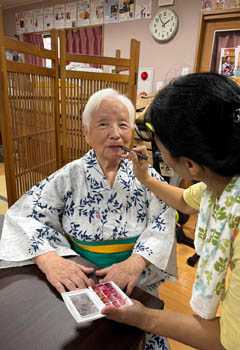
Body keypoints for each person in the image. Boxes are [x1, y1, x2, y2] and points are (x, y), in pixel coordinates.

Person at [0, 88, 177, 350]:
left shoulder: (146, 176)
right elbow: (23, 215)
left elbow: (166, 217)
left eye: (123, 124)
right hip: (82, 280)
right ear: (86, 133)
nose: (115, 133)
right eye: (103, 124)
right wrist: (49, 260)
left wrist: (136, 262)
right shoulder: (69, 175)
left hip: (135, 282)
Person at [101, 73, 240, 350]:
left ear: (190, 166)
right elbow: (187, 201)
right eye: (103, 124)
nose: (115, 133)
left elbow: (233, 342)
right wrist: (148, 179)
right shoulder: (238, 173)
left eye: (161, 148)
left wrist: (144, 318)